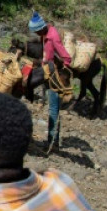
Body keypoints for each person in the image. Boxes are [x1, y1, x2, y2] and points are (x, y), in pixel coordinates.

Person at [28, 11, 71, 151]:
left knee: (54, 109)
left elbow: (66, 57)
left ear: (41, 28)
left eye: (37, 32)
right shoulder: (44, 35)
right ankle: (53, 140)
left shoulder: (53, 37)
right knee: (51, 106)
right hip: (46, 73)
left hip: (53, 76)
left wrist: (62, 69)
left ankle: (52, 142)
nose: (37, 35)